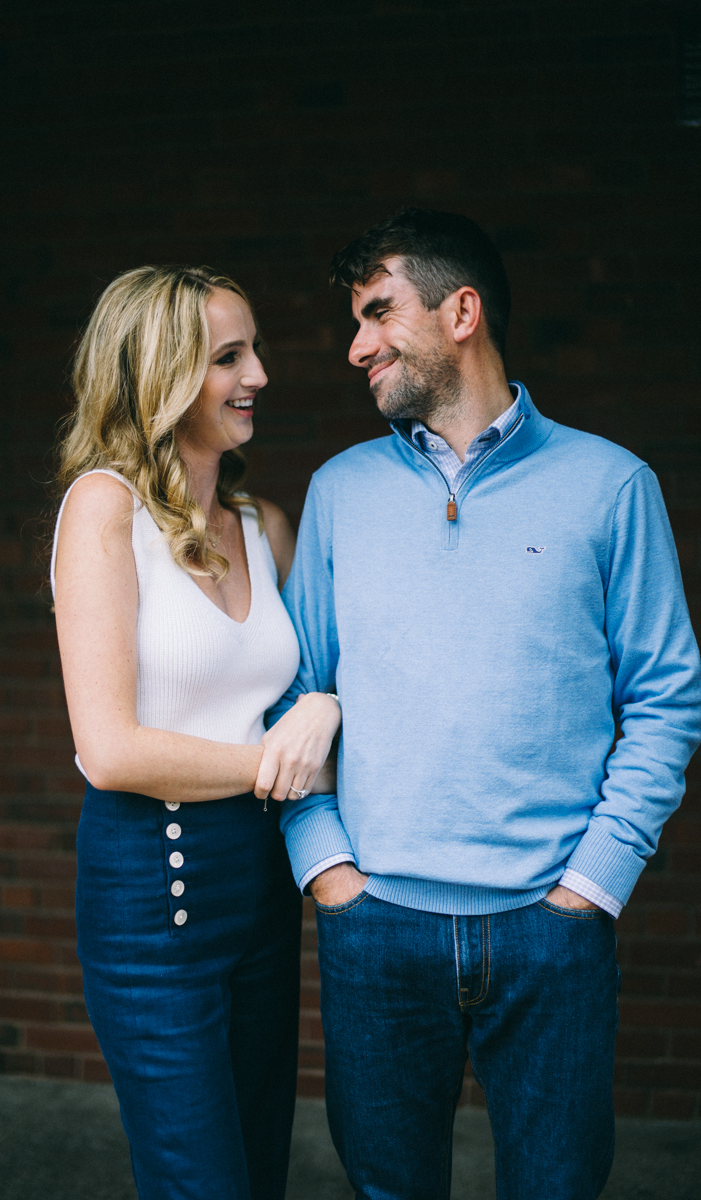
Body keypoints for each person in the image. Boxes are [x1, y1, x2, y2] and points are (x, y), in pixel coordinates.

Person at [271, 209, 701, 1200]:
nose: (354, 345)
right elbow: (296, 695)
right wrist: (325, 871)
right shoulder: (339, 492)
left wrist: (589, 888)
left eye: (377, 312)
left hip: (550, 932)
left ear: (460, 311)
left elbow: (665, 699)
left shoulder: (609, 485)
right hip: (374, 929)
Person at [50, 264, 342, 1200]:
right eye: (227, 357)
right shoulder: (105, 510)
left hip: (262, 887)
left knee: (262, 1169)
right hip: (152, 893)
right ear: (159, 376)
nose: (258, 373)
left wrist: (325, 711)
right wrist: (278, 759)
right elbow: (109, 748)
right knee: (200, 1181)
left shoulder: (264, 525)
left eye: (253, 349)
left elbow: (320, 689)